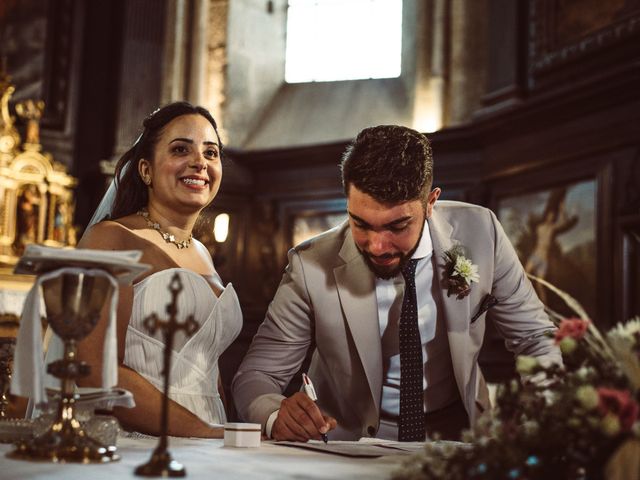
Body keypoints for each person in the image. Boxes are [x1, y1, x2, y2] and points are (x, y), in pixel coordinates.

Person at [232, 125, 562, 442]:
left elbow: (535, 339)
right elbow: (255, 376)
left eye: (397, 226)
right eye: (360, 223)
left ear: (431, 202)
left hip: (459, 435)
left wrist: (541, 424)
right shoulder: (310, 264)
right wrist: (276, 414)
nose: (377, 245)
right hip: (344, 443)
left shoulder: (481, 232)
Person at [77, 102, 242, 437]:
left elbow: (208, 370)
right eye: (181, 149)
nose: (200, 162)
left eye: (211, 153)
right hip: (140, 440)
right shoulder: (111, 240)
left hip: (213, 439)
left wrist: (223, 435)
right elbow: (95, 372)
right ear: (146, 170)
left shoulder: (204, 254)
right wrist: (205, 432)